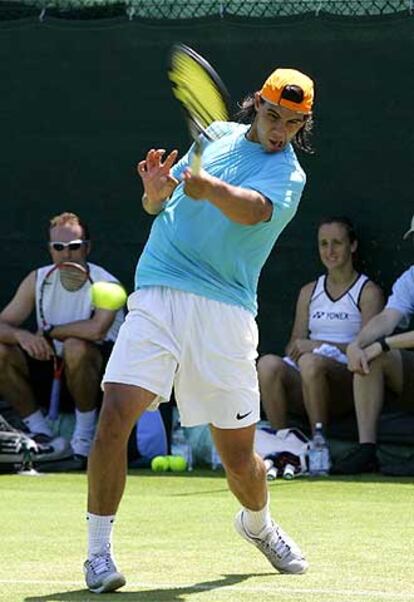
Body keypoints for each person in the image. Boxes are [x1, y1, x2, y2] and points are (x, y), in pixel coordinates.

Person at [84, 65, 315, 594]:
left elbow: (252, 211)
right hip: (160, 288)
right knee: (114, 416)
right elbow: (160, 204)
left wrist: (207, 187)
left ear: (304, 125)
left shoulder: (289, 176)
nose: (280, 130)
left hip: (226, 312)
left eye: (293, 123)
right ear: (256, 104)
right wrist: (154, 192)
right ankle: (97, 554)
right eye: (273, 115)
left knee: (238, 459)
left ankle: (256, 524)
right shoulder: (214, 137)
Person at [0, 212, 124, 468]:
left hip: (100, 382)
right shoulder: (37, 279)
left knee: (75, 346)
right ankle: (41, 433)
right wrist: (22, 336)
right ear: (50, 250)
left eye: (74, 247)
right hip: (50, 373)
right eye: (59, 247)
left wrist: (51, 332)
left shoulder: (106, 283)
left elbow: (97, 330)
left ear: (87, 248)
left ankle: (83, 439)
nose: (66, 254)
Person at [257, 217, 383, 434]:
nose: (330, 251)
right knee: (267, 364)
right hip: (307, 377)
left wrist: (317, 345)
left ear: (352, 246)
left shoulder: (368, 292)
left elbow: (368, 351)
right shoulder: (309, 292)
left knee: (310, 362)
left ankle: (319, 445)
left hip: (348, 382)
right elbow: (294, 345)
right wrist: (302, 349)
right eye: (323, 244)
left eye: (337, 243)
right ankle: (282, 442)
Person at [335, 215, 414, 474]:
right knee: (370, 358)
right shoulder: (411, 278)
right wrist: (357, 344)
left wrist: (384, 344)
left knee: (379, 351)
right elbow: (387, 318)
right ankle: (367, 449)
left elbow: (387, 338)